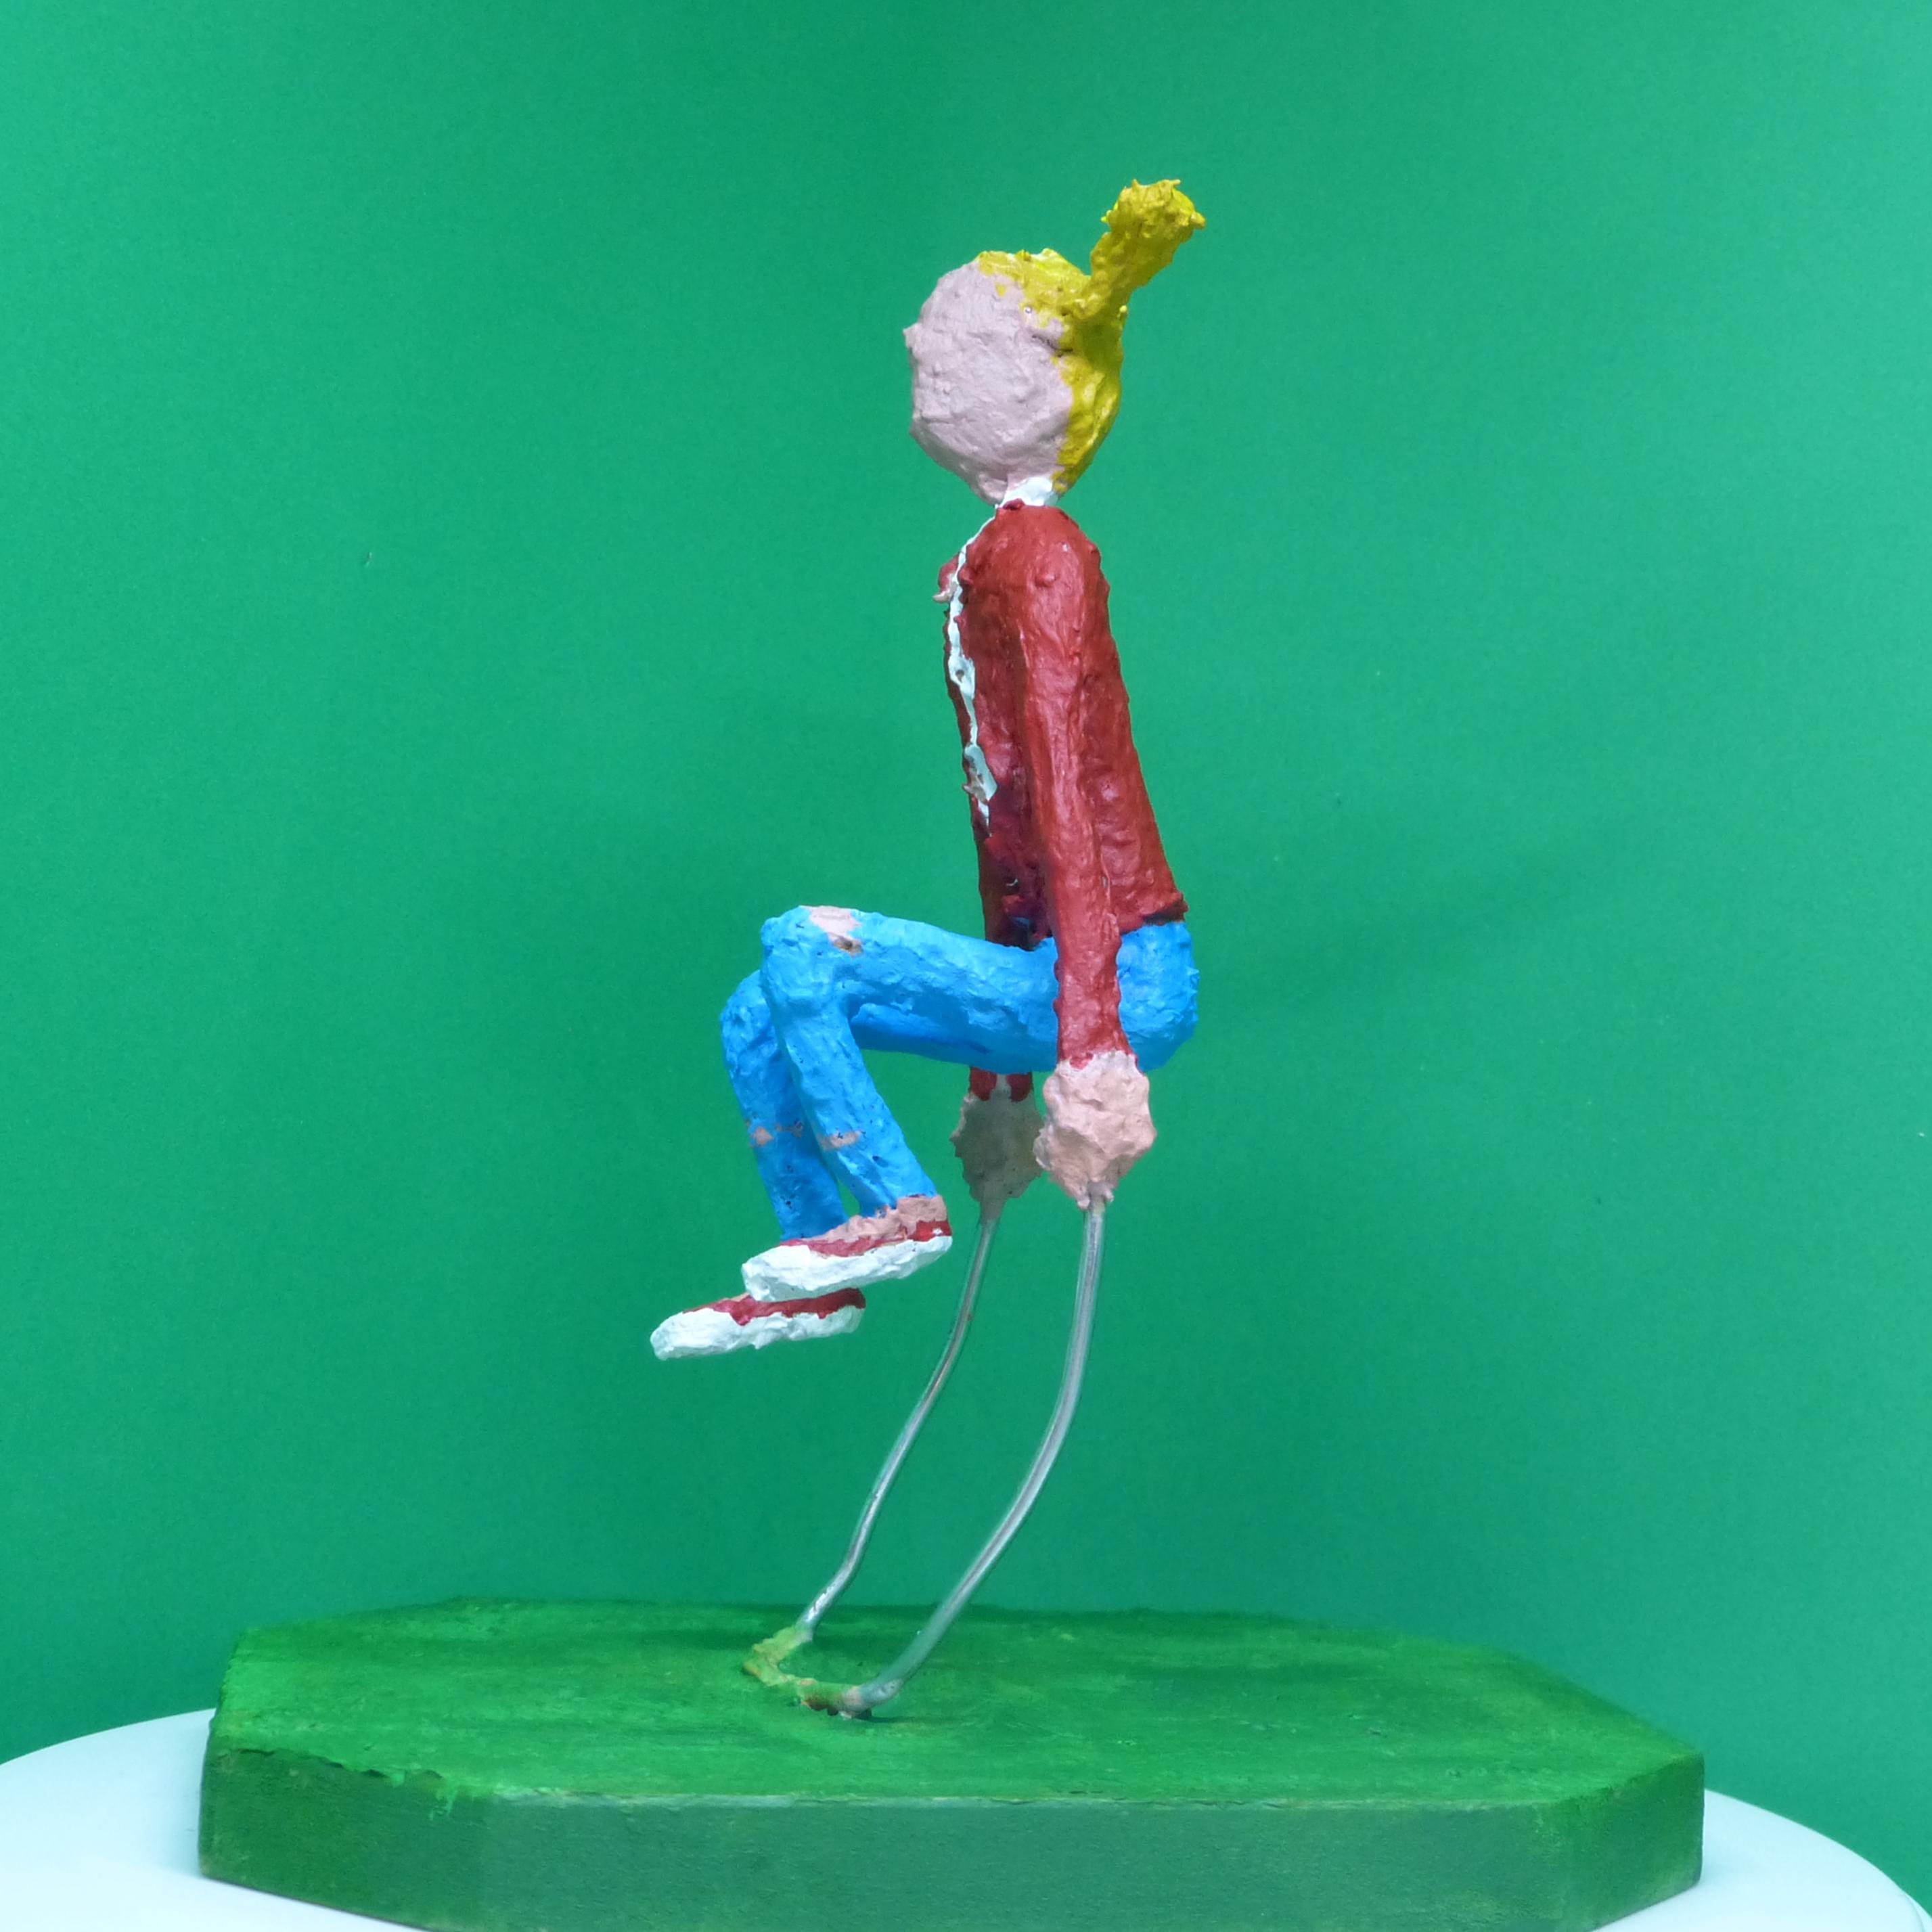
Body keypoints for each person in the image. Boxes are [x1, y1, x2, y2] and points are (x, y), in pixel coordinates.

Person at [653, 181, 1205, 1360]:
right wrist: (996, 1087)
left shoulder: (1044, 557)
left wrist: (1094, 1056)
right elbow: (1009, 834)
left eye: (951, 333)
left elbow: (1073, 798)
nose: (917, 341)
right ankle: (818, 1266)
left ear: (1044, 379)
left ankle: (899, 1210)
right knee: (758, 1012)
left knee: (804, 942)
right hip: (1059, 971)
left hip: (1120, 977)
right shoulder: (992, 557)